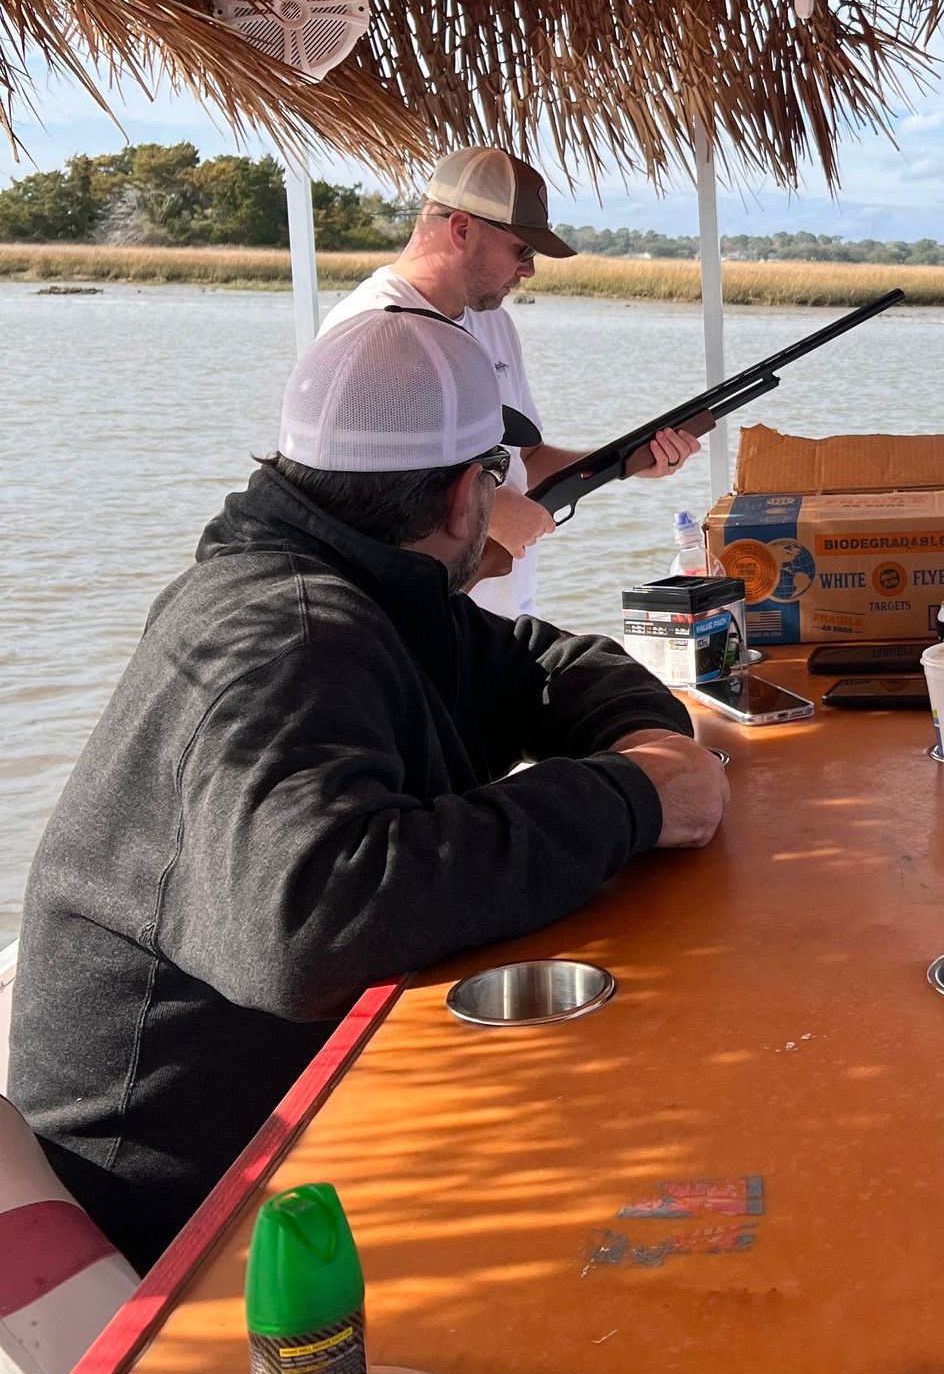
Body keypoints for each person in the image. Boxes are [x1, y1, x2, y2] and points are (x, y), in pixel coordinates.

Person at [10, 310, 727, 1270]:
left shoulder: (355, 588)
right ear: (463, 492)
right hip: (183, 1216)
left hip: (293, 1129)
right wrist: (629, 801)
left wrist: (646, 748)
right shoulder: (289, 632)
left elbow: (541, 660)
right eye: (496, 475)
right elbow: (309, 922)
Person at [322, 146, 701, 616]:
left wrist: (627, 461)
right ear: (461, 229)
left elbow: (526, 458)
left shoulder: (494, 322)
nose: (529, 270)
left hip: (506, 616)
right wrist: (491, 511)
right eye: (522, 250)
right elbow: (348, 503)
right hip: (418, 627)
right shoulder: (368, 328)